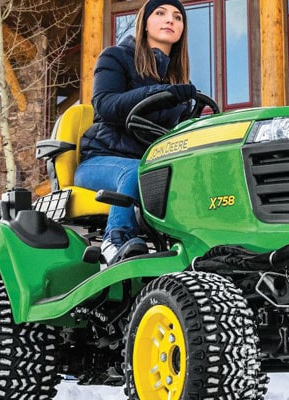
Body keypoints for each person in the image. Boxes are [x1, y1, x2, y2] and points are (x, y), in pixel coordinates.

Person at [76, 0, 197, 265]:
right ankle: (115, 240)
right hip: (100, 161)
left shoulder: (177, 82)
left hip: (150, 165)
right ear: (144, 22)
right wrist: (159, 94)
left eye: (178, 17)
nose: (170, 20)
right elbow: (105, 104)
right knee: (137, 170)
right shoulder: (115, 57)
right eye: (161, 13)